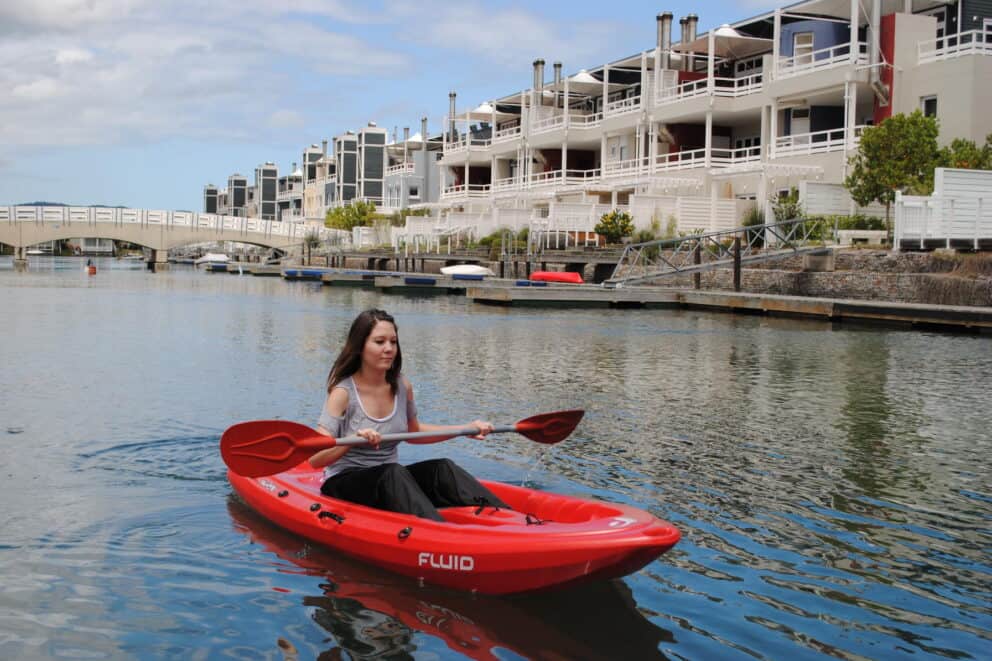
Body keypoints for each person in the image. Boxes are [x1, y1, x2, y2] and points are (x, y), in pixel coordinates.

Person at [309, 309, 509, 522]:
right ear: (360, 347)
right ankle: (441, 534)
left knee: (442, 468)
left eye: (393, 342)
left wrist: (463, 429)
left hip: (389, 479)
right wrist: (350, 442)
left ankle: (508, 521)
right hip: (344, 482)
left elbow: (413, 431)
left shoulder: (402, 386)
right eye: (379, 342)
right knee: (393, 473)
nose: (389, 349)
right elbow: (314, 458)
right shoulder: (343, 393)